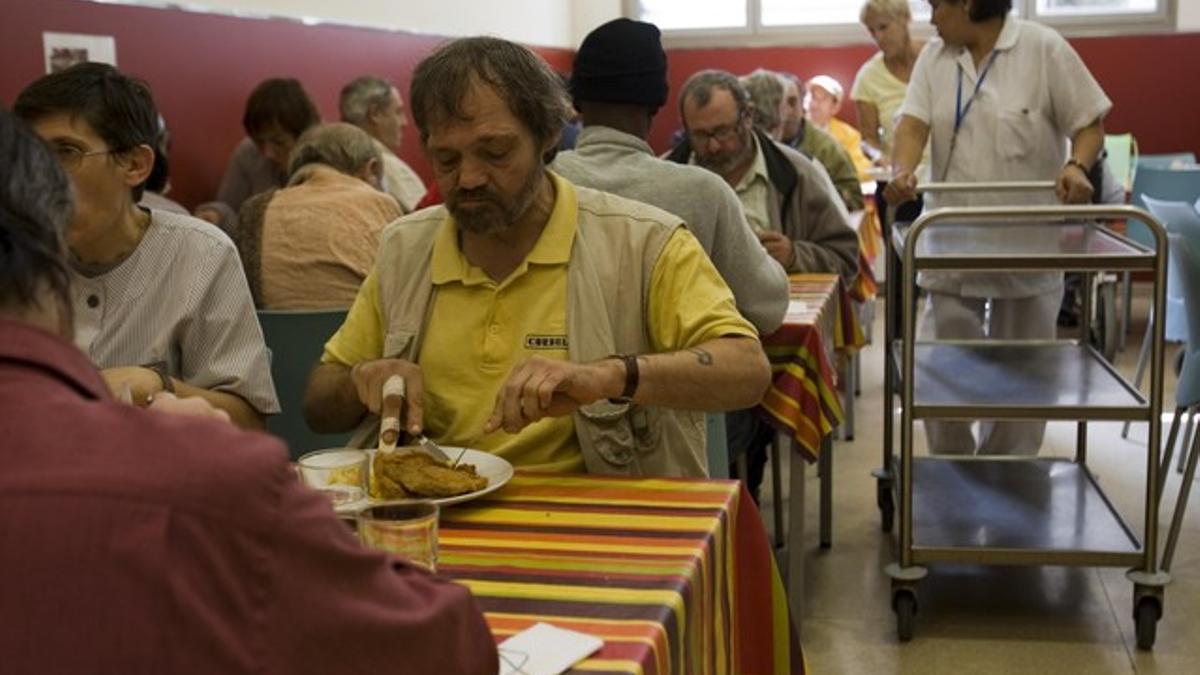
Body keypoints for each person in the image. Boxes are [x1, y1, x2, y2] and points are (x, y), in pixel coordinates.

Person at [0, 107, 499, 675]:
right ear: (55, 246)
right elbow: (445, 648)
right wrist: (214, 463)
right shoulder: (193, 481)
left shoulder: (235, 226)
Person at [304, 37, 772, 479]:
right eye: (445, 160)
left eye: (495, 152)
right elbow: (320, 402)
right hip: (437, 523)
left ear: (549, 135)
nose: (468, 178)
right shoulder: (406, 249)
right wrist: (363, 378)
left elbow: (747, 372)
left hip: (598, 526)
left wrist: (608, 376)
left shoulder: (642, 242)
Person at [884, 0, 1111, 455]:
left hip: (1025, 248)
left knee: (1024, 382)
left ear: (967, 4)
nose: (930, 19)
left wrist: (1076, 166)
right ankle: (952, 472)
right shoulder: (935, 57)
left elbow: (1089, 124)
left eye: (936, 7)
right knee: (943, 372)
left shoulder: (1041, 48)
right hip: (951, 246)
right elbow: (913, 123)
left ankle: (1010, 476)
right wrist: (902, 171)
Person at [14, 63, 280, 429]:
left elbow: (250, 425)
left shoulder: (200, 254)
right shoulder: (19, 260)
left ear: (136, 165)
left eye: (66, 152)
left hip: (170, 477)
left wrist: (157, 384)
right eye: (33, 156)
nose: (41, 177)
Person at [666, 69, 859, 498]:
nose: (713, 146)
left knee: (743, 417)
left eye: (723, 132)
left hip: (767, 340)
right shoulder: (668, 175)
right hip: (687, 340)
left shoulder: (796, 175)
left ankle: (739, 491)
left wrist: (795, 254)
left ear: (749, 116)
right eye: (700, 136)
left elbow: (848, 258)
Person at [551, 18, 789, 336]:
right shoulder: (703, 193)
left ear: (575, 103)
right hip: (672, 381)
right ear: (657, 104)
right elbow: (768, 307)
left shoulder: (542, 182)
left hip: (555, 379)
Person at [236, 123, 404, 309]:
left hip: (279, 337)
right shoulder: (381, 204)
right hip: (362, 335)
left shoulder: (253, 212)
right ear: (371, 170)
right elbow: (405, 297)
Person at [196, 78, 320, 232]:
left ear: (306, 136)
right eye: (259, 142)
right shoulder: (248, 152)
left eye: (278, 142)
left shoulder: (328, 159)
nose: (266, 153)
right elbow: (230, 208)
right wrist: (216, 215)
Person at [749, 70, 865, 212]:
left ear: (802, 103)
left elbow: (855, 199)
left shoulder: (827, 148)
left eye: (793, 101)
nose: (788, 110)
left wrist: (818, 197)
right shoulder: (752, 144)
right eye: (780, 102)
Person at [339, 75, 428, 212]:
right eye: (398, 112)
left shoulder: (332, 164)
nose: (404, 122)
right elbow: (425, 224)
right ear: (375, 114)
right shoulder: (387, 166)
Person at [851, 0, 926, 161]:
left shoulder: (937, 59)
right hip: (899, 172)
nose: (878, 37)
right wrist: (877, 156)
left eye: (883, 27)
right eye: (872, 31)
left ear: (905, 19)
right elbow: (868, 140)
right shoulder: (868, 77)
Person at [806, 74, 873, 182]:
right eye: (812, 96)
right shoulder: (791, 129)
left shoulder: (849, 135)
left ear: (835, 107)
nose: (814, 104)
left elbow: (863, 168)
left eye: (822, 98)